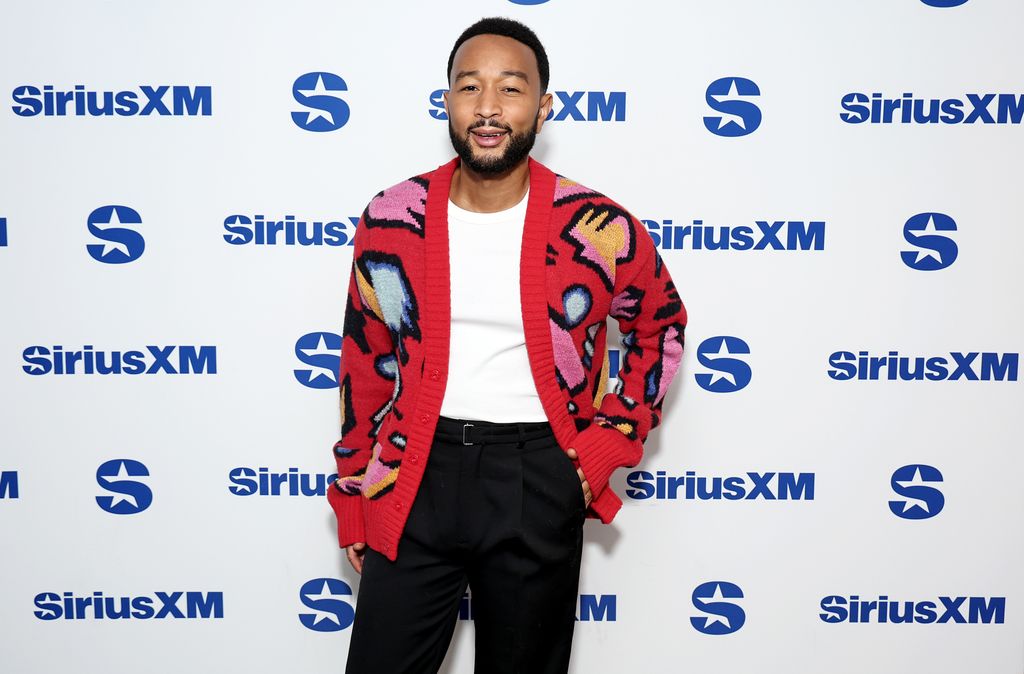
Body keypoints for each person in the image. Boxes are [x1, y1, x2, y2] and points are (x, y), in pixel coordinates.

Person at [328, 16, 686, 674]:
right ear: (447, 103)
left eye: (511, 89)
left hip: (538, 476)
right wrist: (354, 489)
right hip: (415, 473)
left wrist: (606, 443)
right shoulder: (391, 216)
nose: (488, 107)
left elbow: (658, 324)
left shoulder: (597, 225)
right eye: (469, 87)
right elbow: (365, 365)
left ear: (543, 108)